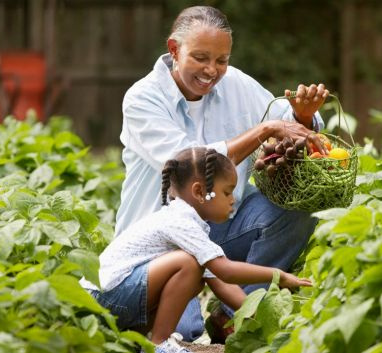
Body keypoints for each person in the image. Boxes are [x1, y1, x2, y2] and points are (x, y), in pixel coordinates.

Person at [116, 5, 330, 341]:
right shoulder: (143, 99)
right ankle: (142, 314)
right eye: (200, 58)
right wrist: (263, 131)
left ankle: (232, 319)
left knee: (297, 206)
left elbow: (287, 120)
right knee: (181, 332)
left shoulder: (237, 84)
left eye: (221, 60)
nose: (212, 70)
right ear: (174, 50)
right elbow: (189, 165)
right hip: (161, 243)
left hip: (221, 224)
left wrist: (301, 117)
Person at [80, 147, 312, 353]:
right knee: (188, 265)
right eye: (227, 192)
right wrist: (278, 276)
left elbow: (224, 286)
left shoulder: (192, 226)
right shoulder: (181, 221)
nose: (233, 200)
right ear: (200, 192)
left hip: (111, 298)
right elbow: (226, 271)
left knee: (197, 271)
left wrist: (262, 322)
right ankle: (159, 343)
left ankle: (141, 341)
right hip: (102, 297)